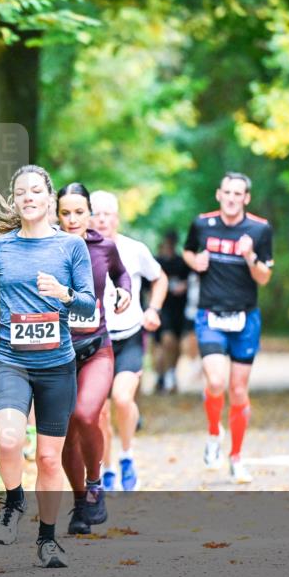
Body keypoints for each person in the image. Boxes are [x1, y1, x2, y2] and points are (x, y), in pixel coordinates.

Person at [0, 165, 97, 568]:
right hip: (12, 361)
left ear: (49, 200)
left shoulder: (70, 248)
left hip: (57, 366)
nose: (28, 197)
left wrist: (64, 293)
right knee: (9, 440)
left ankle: (47, 540)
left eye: (35, 191)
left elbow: (88, 303)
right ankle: (13, 500)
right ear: (15, 201)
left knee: (48, 459)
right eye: (20, 192)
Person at [182, 172, 273, 484]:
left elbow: (264, 277)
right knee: (216, 381)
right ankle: (212, 433)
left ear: (246, 198)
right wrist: (195, 262)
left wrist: (249, 256)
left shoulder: (260, 229)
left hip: (245, 318)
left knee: (238, 391)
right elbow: (188, 251)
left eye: (239, 194)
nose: (232, 198)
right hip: (210, 315)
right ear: (218, 194)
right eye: (227, 192)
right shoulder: (202, 224)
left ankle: (236, 457)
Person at [55, 182, 131, 535]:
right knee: (67, 429)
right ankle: (79, 503)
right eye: (65, 213)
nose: (72, 220)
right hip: (56, 352)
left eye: (79, 212)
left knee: (87, 414)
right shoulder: (45, 247)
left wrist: (125, 294)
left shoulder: (105, 246)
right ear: (56, 215)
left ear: (90, 213)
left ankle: (96, 482)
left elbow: (121, 274)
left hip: (96, 347)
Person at [89, 191, 168, 492]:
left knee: (122, 399)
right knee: (98, 412)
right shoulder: (81, 250)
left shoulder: (134, 250)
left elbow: (159, 278)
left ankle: (127, 456)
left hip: (130, 337)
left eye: (108, 213)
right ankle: (106, 469)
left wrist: (153, 309)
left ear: (117, 217)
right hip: (96, 341)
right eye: (96, 213)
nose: (102, 219)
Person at [153, 229, 192, 393]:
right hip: (160, 309)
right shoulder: (155, 262)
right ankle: (162, 376)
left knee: (175, 345)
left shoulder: (182, 262)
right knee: (164, 342)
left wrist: (184, 286)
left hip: (179, 309)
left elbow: (192, 280)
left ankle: (169, 374)